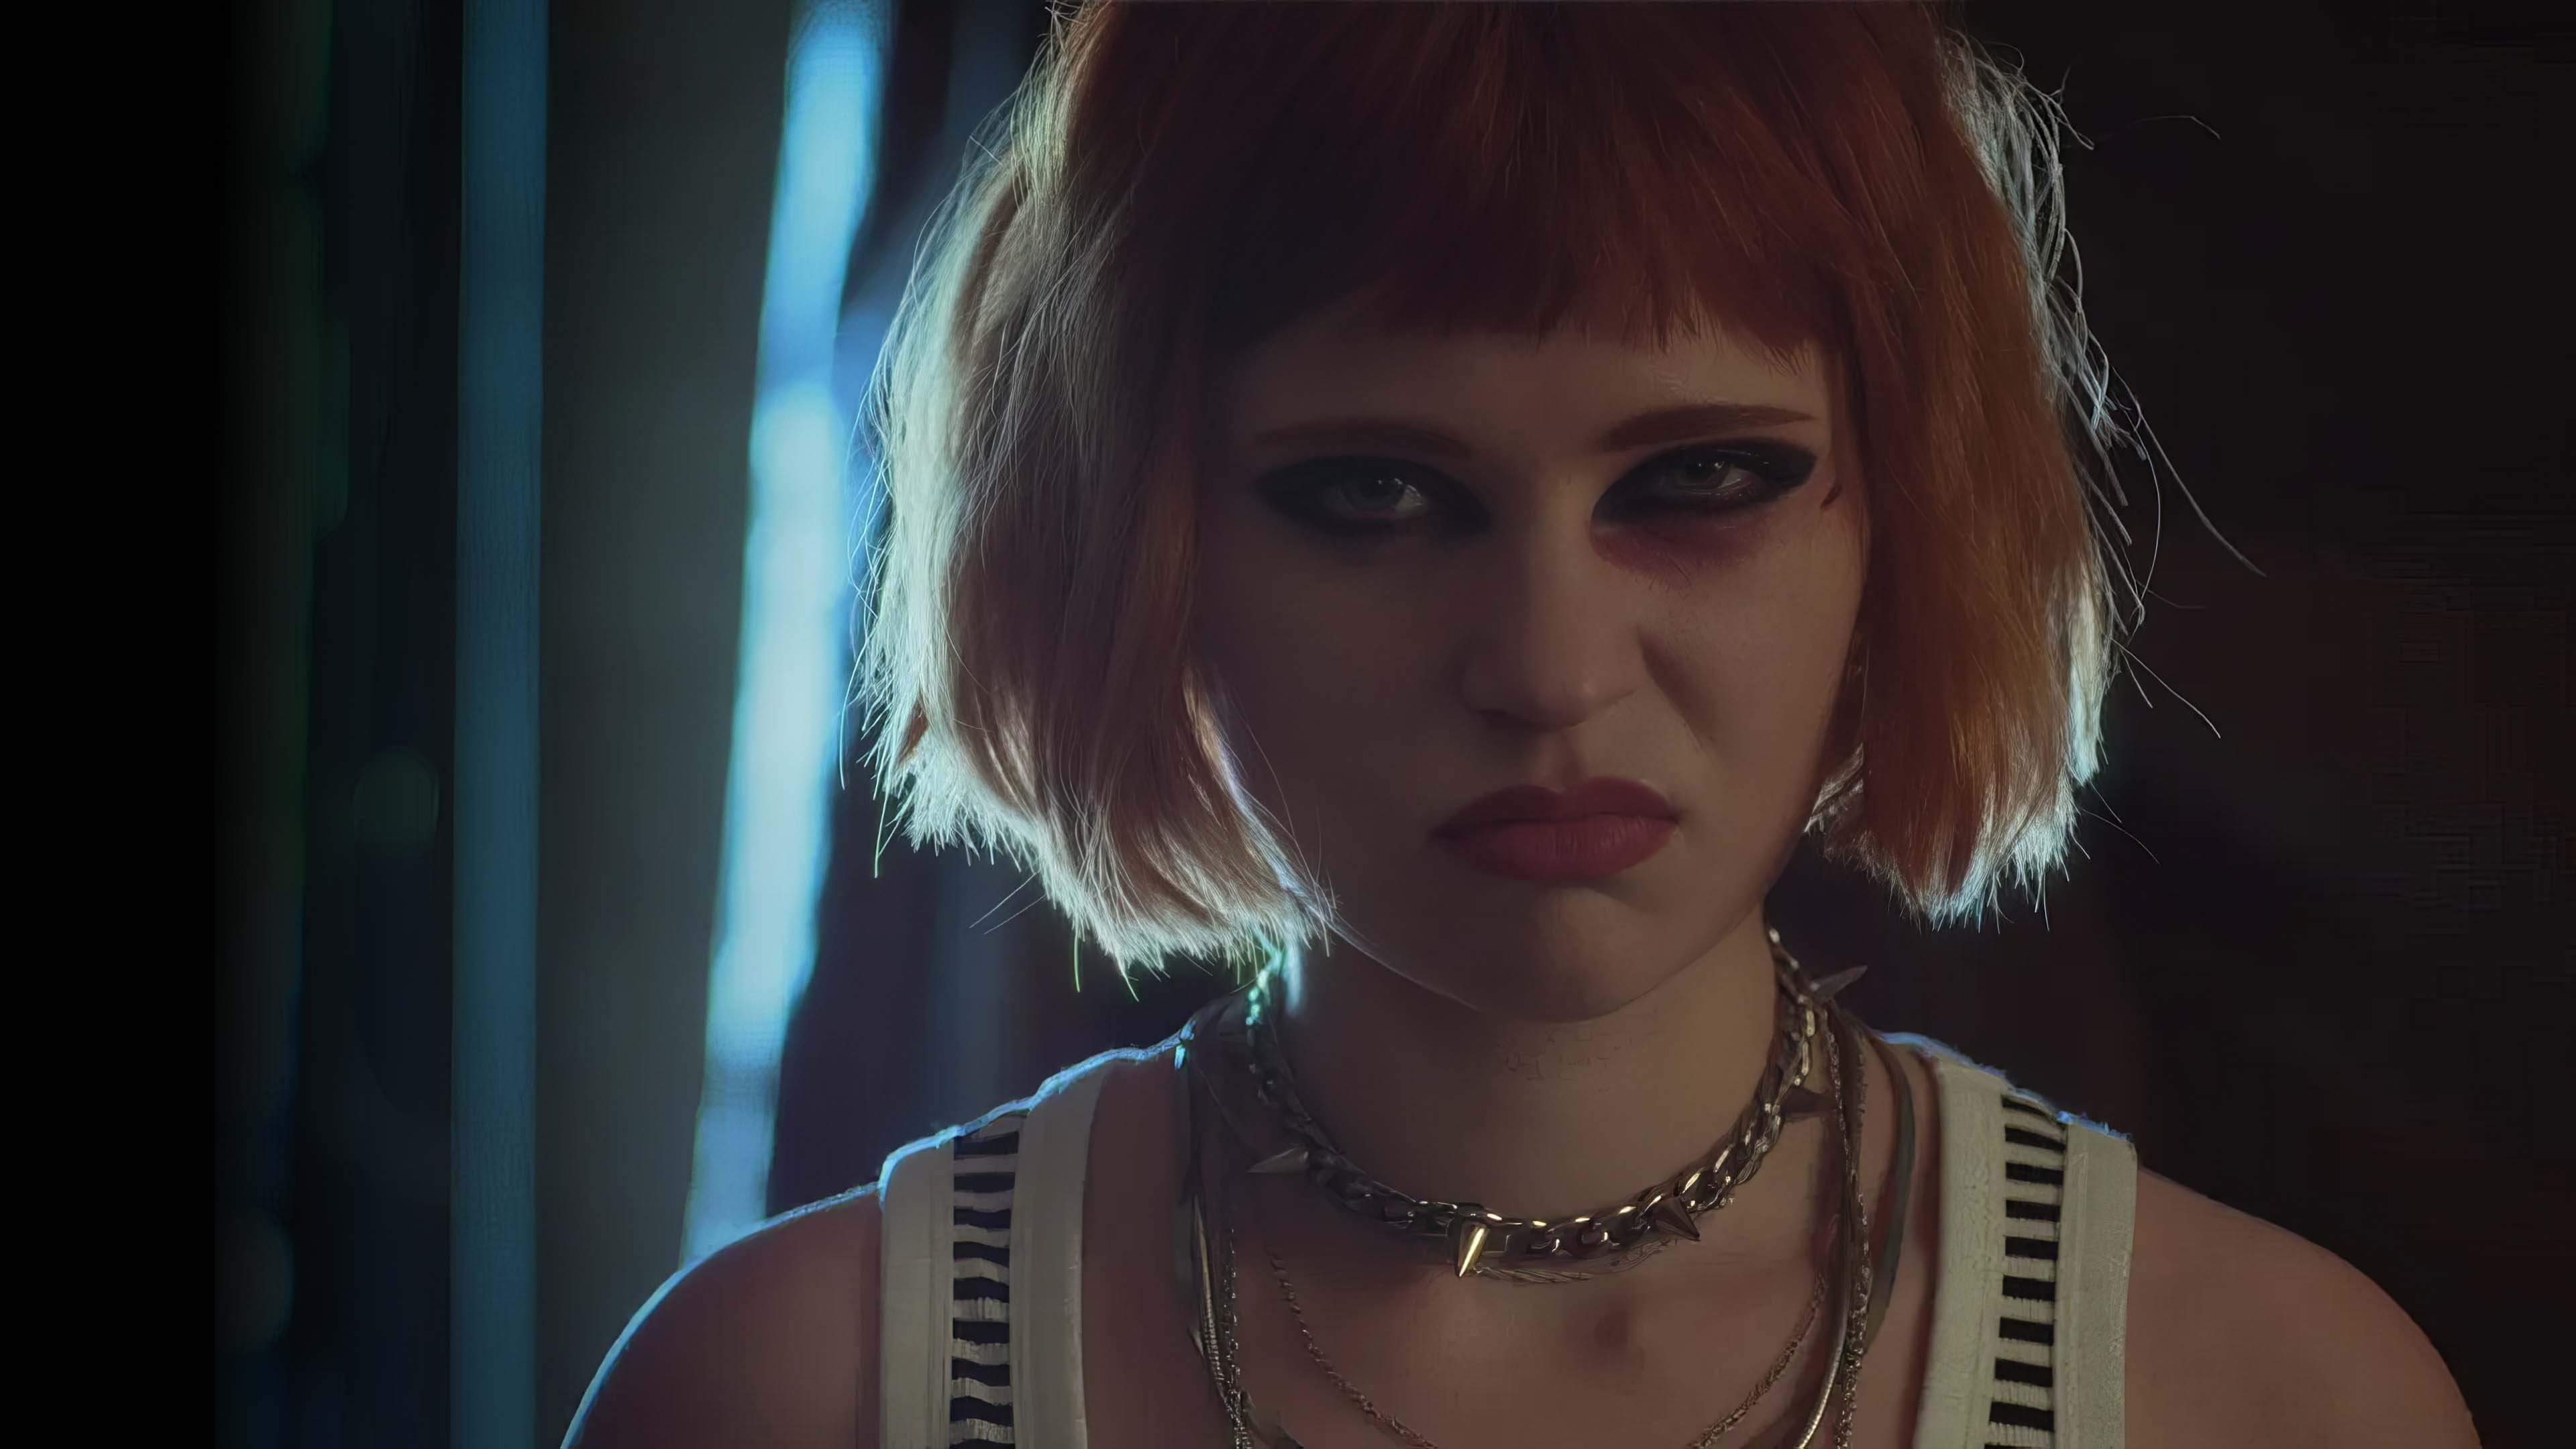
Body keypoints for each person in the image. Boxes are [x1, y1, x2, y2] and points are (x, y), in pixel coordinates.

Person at [569, 3, 2479, 1445]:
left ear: (1906, 514)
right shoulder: (794, 1392)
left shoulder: (2264, 1395)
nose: (1551, 672)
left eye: (1701, 479)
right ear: (1135, 542)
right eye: (1376, 494)